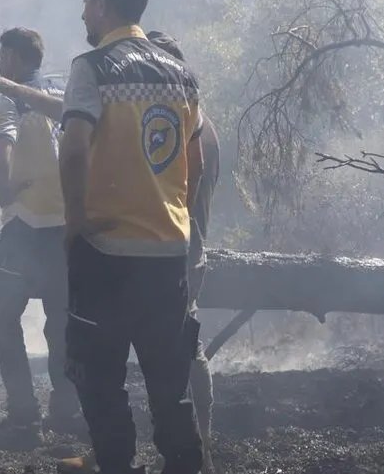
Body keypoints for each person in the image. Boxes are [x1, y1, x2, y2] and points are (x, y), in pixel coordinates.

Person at [0, 0, 205, 473]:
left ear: (102, 3)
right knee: (170, 384)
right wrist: (178, 221)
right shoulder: (182, 74)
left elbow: (76, 144)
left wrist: (77, 221)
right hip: (168, 254)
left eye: (85, 1)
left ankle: (116, 466)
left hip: (107, 251)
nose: (82, 12)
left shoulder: (93, 67)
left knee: (101, 380)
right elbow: (192, 163)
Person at [0, 27, 78, 434]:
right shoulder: (63, 91)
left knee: (2, 314)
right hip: (68, 229)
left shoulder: (12, 98)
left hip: (24, 227)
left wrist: (3, 193)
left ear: (15, 58)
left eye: (2, 56)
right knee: (62, 321)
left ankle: (23, 415)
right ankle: (66, 410)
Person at [146, 31, 220, 473]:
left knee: (176, 353)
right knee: (186, 348)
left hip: (169, 251)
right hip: (191, 249)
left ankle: (191, 453)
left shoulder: (175, 122)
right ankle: (199, 449)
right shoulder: (202, 120)